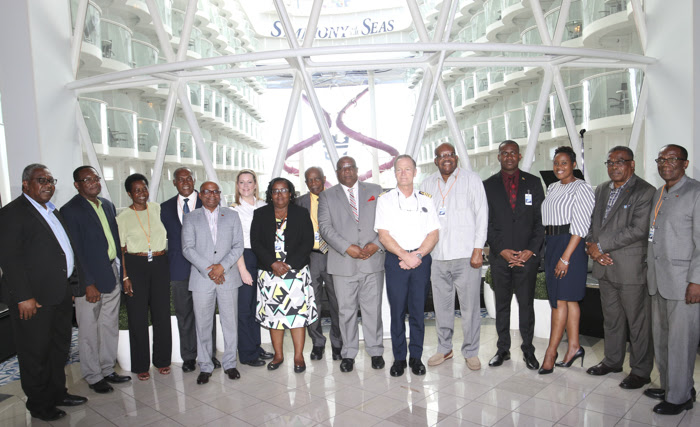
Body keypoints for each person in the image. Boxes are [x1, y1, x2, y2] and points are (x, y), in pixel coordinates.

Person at [0, 164, 87, 421]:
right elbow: (10, 259)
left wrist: (71, 287)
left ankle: (58, 393)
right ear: (26, 184)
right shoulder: (12, 213)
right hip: (33, 300)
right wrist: (23, 296)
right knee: (35, 353)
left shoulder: (51, 210)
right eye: (41, 180)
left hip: (59, 295)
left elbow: (62, 252)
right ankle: (39, 405)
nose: (48, 185)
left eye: (51, 180)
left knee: (58, 349)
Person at [584, 146, 655, 389]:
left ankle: (641, 371)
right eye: (610, 162)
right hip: (604, 267)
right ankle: (612, 361)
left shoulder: (645, 191)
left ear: (632, 164)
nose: (614, 166)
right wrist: (591, 245)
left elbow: (638, 230)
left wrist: (600, 246)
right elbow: (593, 222)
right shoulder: (602, 189)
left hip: (630, 269)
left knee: (638, 323)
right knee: (612, 320)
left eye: (620, 162)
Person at [61, 166, 131, 394]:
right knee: (89, 330)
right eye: (87, 179)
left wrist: (122, 272)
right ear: (77, 185)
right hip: (89, 278)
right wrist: (87, 283)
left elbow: (114, 241)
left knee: (108, 325)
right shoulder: (70, 210)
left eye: (96, 178)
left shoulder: (107, 205)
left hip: (110, 272)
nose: (93, 182)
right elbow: (75, 251)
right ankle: (93, 375)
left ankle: (107, 368)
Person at [420, 143, 488, 371]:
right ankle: (444, 348)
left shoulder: (472, 180)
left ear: (456, 158)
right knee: (442, 308)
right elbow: (423, 219)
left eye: (450, 155)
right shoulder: (427, 184)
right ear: (435, 160)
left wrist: (478, 249)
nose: (446, 158)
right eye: (441, 156)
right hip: (437, 257)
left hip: (467, 256)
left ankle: (471, 352)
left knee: (470, 309)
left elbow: (482, 215)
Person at [644, 144, 700, 415]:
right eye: (661, 159)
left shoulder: (696, 193)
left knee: (681, 342)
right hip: (658, 279)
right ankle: (672, 386)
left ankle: (679, 397)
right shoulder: (660, 192)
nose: (665, 164)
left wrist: (697, 281)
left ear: (685, 163)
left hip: (683, 282)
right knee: (663, 340)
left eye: (672, 159)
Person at [318, 156, 386, 373]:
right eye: (342, 168)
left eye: (350, 167)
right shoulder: (327, 196)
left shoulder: (375, 190)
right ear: (337, 173)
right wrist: (347, 247)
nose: (346, 171)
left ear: (357, 170)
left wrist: (376, 244)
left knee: (372, 310)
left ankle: (376, 351)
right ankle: (348, 353)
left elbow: (387, 221)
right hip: (343, 263)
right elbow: (325, 228)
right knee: (346, 312)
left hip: (372, 262)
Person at [375, 155, 440, 377]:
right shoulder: (385, 200)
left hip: (421, 260)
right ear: (394, 173)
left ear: (415, 172)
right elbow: (383, 235)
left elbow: (433, 234)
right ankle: (399, 358)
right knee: (397, 312)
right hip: (396, 261)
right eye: (399, 170)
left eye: (408, 169)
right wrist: (405, 255)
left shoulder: (426, 200)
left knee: (418, 312)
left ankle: (416, 357)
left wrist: (417, 255)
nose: (403, 174)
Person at [483, 141, 544, 370]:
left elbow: (540, 221)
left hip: (527, 258)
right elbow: (486, 223)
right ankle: (503, 350)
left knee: (526, 306)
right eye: (504, 153)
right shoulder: (488, 185)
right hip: (501, 258)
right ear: (499, 157)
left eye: (513, 153)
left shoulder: (534, 183)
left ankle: (528, 350)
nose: (509, 156)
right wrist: (502, 250)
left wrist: (530, 251)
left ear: (519, 156)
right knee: (502, 306)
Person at [251, 178, 316, 373]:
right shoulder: (260, 214)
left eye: (284, 190)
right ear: (270, 194)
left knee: (297, 316)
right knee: (274, 316)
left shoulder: (301, 213)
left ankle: (298, 356)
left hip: (295, 273)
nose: (280, 194)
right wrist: (273, 263)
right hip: (270, 274)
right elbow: (256, 242)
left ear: (291, 193)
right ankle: (278, 355)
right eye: (275, 191)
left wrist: (288, 265)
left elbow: (307, 241)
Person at [538, 146, 594, 375]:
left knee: (560, 300)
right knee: (568, 300)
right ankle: (574, 347)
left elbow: (580, 227)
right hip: (552, 244)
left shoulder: (582, 188)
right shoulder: (552, 187)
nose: (559, 167)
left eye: (564, 163)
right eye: (556, 163)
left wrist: (566, 257)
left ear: (573, 165)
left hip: (570, 245)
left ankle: (551, 353)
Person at [182, 181, 245, 384]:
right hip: (202, 279)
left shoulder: (232, 215)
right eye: (207, 192)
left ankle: (230, 364)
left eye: (216, 191)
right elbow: (187, 248)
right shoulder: (190, 217)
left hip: (228, 277)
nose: (212, 195)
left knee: (230, 323)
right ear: (200, 195)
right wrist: (210, 270)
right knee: (203, 325)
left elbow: (238, 246)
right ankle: (206, 366)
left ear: (220, 194)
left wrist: (222, 267)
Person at [161, 167, 219, 373]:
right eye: (180, 179)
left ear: (194, 180)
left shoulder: (208, 202)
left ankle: (209, 354)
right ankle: (189, 356)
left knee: (207, 314)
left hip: (206, 268)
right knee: (184, 315)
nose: (185, 182)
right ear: (174, 183)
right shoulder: (165, 208)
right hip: (179, 269)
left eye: (188, 178)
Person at [117, 173, 172, 381]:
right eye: (137, 190)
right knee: (137, 316)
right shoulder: (123, 217)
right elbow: (121, 250)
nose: (142, 193)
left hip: (159, 263)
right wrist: (125, 277)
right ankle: (141, 364)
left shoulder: (156, 209)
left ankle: (162, 360)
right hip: (135, 265)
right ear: (129, 193)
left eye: (144, 189)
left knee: (162, 314)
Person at [296, 166, 343, 362]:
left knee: (337, 301)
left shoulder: (336, 198)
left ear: (324, 179)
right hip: (311, 257)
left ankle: (338, 343)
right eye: (310, 180)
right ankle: (317, 342)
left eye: (317, 179)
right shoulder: (299, 203)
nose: (314, 183)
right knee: (312, 302)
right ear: (306, 183)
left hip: (334, 255)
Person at [231, 169, 274, 367]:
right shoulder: (233, 210)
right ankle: (247, 353)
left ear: (255, 184)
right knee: (244, 308)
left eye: (249, 182)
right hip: (244, 257)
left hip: (262, 257)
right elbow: (234, 242)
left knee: (257, 306)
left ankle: (256, 347)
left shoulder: (264, 206)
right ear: (237, 185)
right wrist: (242, 269)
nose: (246, 186)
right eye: (242, 182)